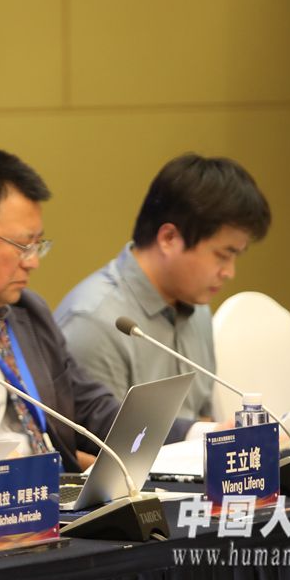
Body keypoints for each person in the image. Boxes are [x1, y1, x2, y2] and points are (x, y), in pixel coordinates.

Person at [0, 147, 197, 473]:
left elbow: (91, 409)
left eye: (38, 245)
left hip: (62, 494)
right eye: (22, 246)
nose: (33, 262)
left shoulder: (29, 310)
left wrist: (195, 435)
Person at [54, 153, 271, 422]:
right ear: (168, 238)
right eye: (222, 255)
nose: (229, 272)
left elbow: (201, 418)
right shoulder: (94, 323)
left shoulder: (197, 309)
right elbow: (98, 442)